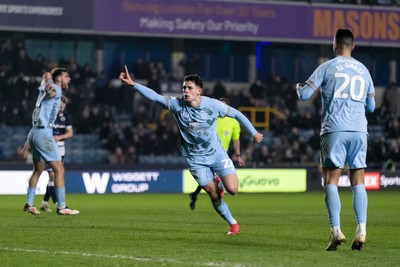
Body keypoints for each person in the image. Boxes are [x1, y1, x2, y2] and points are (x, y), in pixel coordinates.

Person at [119, 66, 263, 235]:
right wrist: (133, 84)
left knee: (233, 190)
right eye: (184, 88)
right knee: (214, 195)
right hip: (195, 159)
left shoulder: (213, 105)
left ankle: (220, 182)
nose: (185, 91)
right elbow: (155, 97)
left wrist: (254, 132)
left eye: (190, 88)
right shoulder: (177, 105)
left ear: (199, 91)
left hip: (216, 154)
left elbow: (237, 114)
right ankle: (233, 224)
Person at [296, 29, 375, 251]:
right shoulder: (364, 70)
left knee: (330, 181)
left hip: (334, 129)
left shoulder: (327, 67)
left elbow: (304, 96)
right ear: (353, 45)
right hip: (360, 131)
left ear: (334, 44)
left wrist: (298, 88)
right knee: (358, 179)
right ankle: (361, 231)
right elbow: (372, 107)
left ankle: (336, 231)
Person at [23, 68, 79, 216]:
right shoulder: (56, 89)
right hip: (44, 133)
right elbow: (51, 92)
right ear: (59, 78)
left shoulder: (46, 86)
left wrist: (47, 79)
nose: (69, 79)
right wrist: (50, 86)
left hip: (33, 132)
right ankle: (62, 207)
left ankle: (29, 203)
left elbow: (46, 78)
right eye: (67, 76)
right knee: (59, 169)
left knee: (38, 170)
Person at [189, 97, 245, 210]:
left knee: (208, 178)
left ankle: (195, 194)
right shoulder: (211, 118)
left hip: (221, 154)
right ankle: (217, 188)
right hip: (206, 152)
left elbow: (236, 140)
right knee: (208, 178)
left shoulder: (234, 122)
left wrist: (238, 155)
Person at [39, 95, 73, 212]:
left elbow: (70, 133)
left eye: (63, 107)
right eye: (59, 106)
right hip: (49, 149)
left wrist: (60, 137)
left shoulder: (66, 119)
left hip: (61, 149)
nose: (61, 109)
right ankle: (58, 204)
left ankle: (44, 202)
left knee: (56, 176)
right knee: (53, 176)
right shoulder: (48, 116)